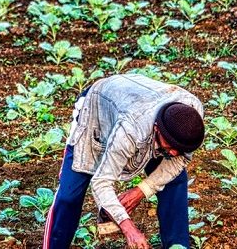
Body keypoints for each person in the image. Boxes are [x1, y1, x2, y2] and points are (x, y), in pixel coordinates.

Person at [42, 74, 206, 249]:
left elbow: (179, 160)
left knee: (175, 180)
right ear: (157, 129)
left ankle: (178, 246)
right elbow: (101, 182)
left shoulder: (192, 119)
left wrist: (142, 190)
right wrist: (129, 228)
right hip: (97, 109)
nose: (174, 152)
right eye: (170, 146)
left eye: (180, 149)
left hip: (138, 103)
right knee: (69, 195)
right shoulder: (130, 131)